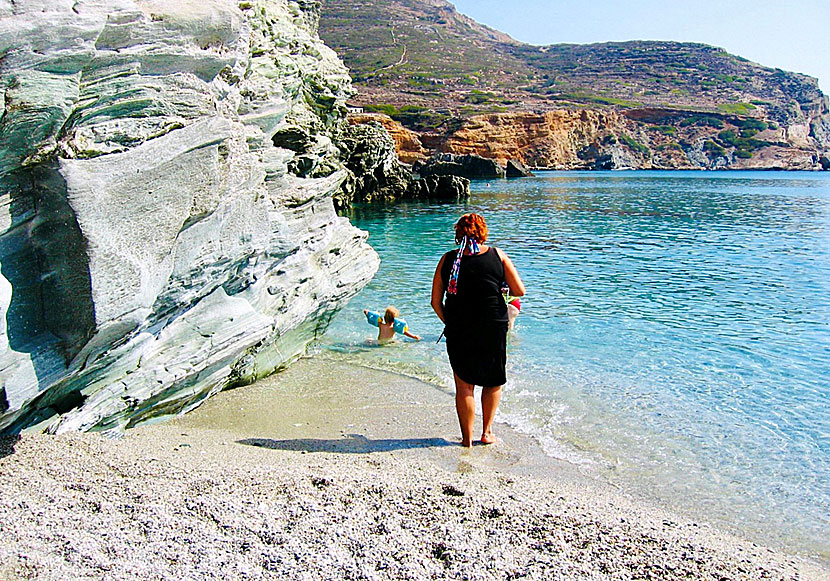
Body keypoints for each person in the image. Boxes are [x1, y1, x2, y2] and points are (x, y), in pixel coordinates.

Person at [431, 213, 525, 447]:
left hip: (459, 328)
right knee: (492, 382)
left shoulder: (447, 260)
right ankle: (486, 433)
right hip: (493, 326)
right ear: (482, 232)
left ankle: (466, 439)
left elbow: (435, 302)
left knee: (464, 386)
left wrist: (450, 323)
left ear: (458, 233)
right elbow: (519, 290)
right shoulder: (497, 255)